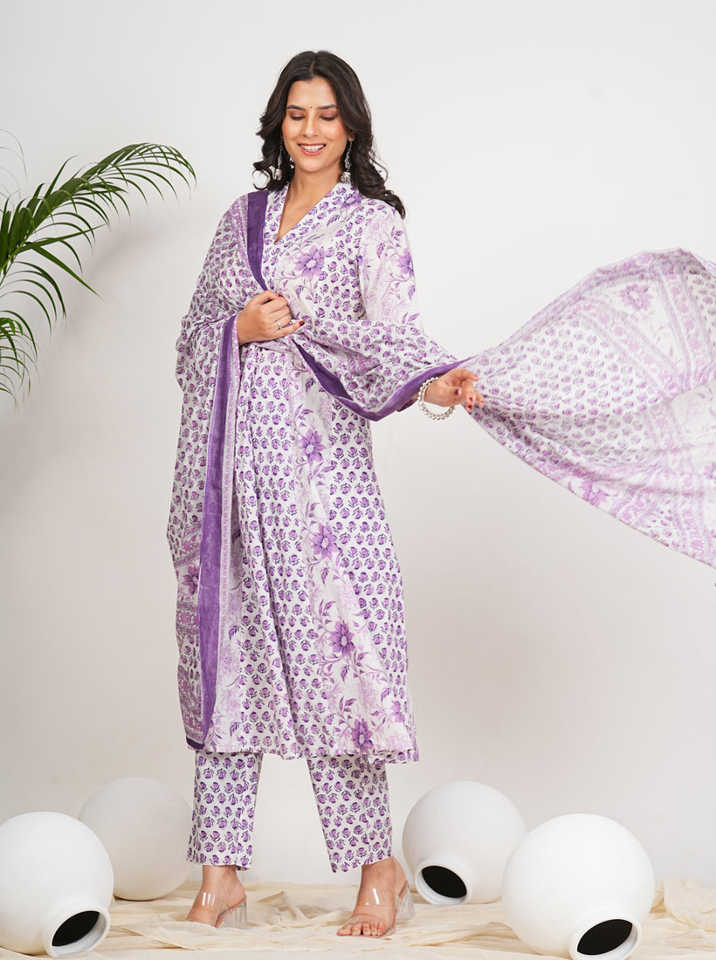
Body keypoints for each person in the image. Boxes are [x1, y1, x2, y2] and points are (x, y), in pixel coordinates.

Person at [167, 49, 482, 938]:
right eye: (297, 114)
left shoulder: (370, 225)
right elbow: (189, 344)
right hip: (232, 492)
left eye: (327, 115)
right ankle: (220, 876)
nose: (310, 130)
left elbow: (395, 341)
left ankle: (378, 870)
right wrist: (238, 327)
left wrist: (439, 383)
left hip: (322, 495)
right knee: (229, 668)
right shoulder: (241, 221)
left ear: (351, 127)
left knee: (339, 670)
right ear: (279, 122)